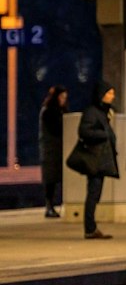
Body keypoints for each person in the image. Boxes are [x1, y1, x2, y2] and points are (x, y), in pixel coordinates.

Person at [67, 81, 119, 240]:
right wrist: (104, 135)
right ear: (101, 95)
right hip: (94, 160)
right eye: (109, 93)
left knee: (95, 194)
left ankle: (91, 227)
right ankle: (90, 228)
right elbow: (84, 131)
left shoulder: (104, 112)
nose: (112, 96)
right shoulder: (92, 112)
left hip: (100, 160)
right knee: (93, 193)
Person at [39, 86, 67, 219]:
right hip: (51, 150)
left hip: (59, 149)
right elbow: (56, 129)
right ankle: (49, 205)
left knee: (57, 178)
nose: (63, 100)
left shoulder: (61, 111)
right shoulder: (48, 112)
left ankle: (55, 204)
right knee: (50, 179)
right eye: (61, 97)